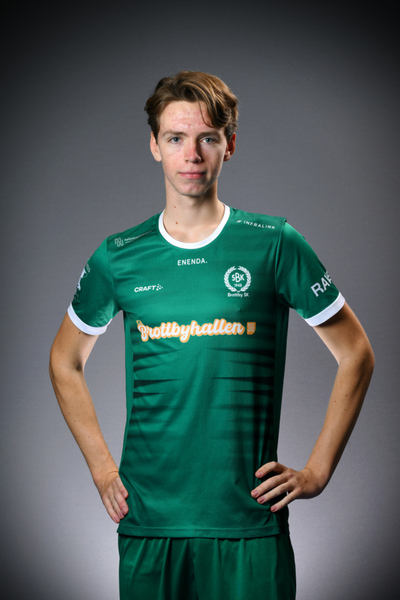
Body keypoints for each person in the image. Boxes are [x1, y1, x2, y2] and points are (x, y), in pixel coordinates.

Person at [49, 71, 374, 600]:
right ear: (154, 145)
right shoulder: (118, 255)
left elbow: (356, 352)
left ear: (230, 145)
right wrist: (102, 468)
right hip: (150, 521)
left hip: (249, 522)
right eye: (176, 138)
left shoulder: (274, 243)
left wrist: (317, 471)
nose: (192, 154)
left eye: (208, 138)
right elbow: (64, 360)